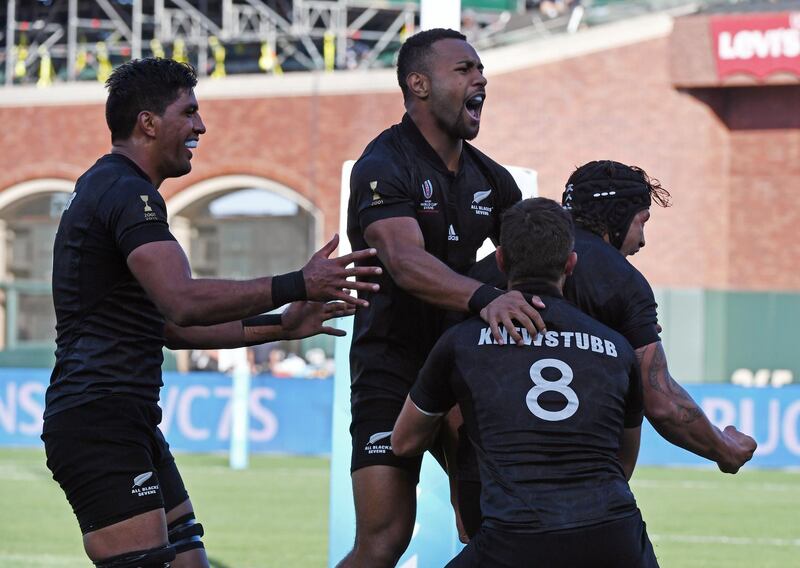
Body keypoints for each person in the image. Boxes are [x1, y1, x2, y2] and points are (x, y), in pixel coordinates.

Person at [42, 57, 381, 568]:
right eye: (190, 112)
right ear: (148, 123)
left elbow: (173, 328)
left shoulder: (114, 188)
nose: (201, 126)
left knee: (188, 560)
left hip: (124, 418)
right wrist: (298, 282)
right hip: (99, 420)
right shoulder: (124, 191)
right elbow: (183, 299)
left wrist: (284, 325)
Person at [458, 160, 758, 538]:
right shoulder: (622, 280)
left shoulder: (481, 277)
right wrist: (724, 449)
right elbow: (662, 402)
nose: (643, 240)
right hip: (584, 503)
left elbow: (444, 393)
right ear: (617, 216)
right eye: (642, 222)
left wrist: (464, 483)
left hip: (493, 491)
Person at [341, 28, 546, 567]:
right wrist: (485, 297)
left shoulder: (491, 177)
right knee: (384, 541)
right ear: (419, 84)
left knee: (488, 528)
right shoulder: (382, 165)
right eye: (464, 70)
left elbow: (534, 263)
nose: (481, 80)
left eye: (481, 71)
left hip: (464, 367)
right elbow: (405, 263)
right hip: (391, 365)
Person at [392, 197, 658, 567]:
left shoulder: (461, 343)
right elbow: (623, 463)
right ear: (570, 263)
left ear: (500, 262)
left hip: (514, 540)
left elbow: (403, 442)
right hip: (614, 538)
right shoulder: (617, 348)